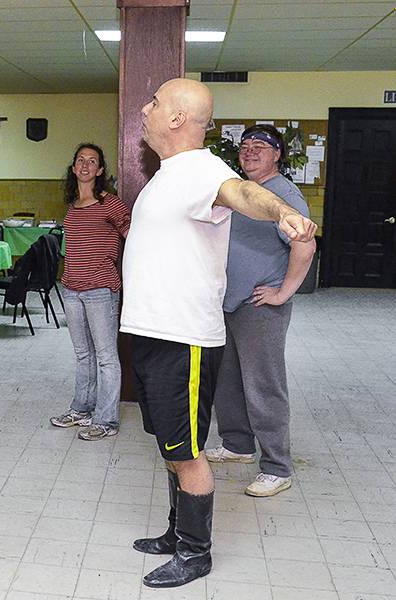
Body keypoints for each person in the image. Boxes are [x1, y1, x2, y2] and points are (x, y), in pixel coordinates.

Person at [121, 78, 316, 588]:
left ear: (177, 118)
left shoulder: (202, 168)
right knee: (171, 443)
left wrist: (284, 211)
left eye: (155, 103)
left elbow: (244, 193)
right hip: (152, 332)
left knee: (188, 451)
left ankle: (195, 552)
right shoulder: (168, 174)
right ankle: (175, 532)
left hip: (182, 338)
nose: (145, 109)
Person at [205, 125, 316, 497]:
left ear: (277, 154)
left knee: (263, 385)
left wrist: (283, 293)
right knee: (228, 380)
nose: (250, 151)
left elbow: (305, 246)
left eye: (260, 146)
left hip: (259, 307)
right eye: (245, 146)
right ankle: (237, 444)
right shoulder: (242, 192)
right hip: (229, 303)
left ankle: (276, 467)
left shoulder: (285, 195)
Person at [49, 143, 130, 441]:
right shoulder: (73, 205)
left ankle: (106, 420)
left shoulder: (110, 203)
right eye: (80, 160)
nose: (85, 165)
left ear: (100, 170)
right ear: (73, 168)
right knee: (83, 354)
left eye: (92, 161)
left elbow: (133, 237)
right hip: (72, 289)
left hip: (100, 290)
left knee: (106, 357)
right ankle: (81, 409)